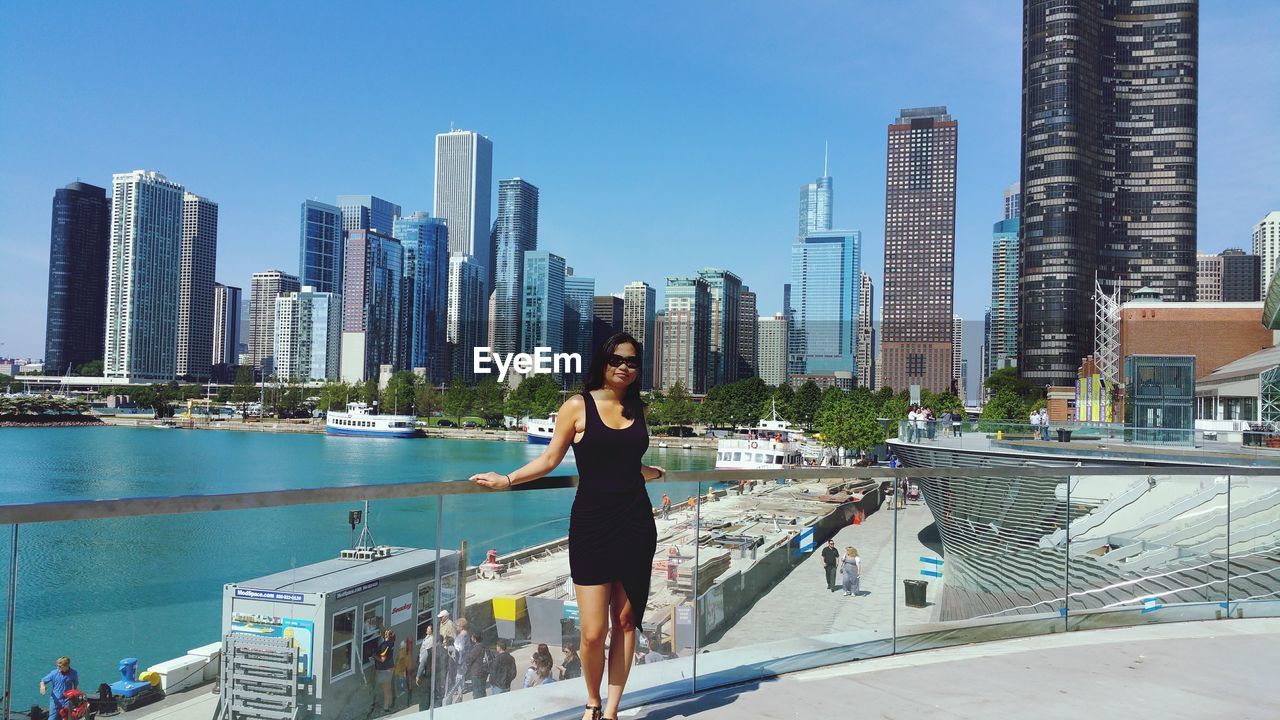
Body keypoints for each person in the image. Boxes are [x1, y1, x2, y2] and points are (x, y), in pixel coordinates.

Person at [472, 332, 665, 720]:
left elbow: (625, 462)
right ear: (603, 362)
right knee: (593, 632)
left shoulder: (637, 409)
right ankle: (592, 699)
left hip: (635, 524)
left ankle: (610, 710)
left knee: (626, 621)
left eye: (632, 361)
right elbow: (549, 460)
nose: (624, 367)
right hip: (592, 525)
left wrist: (651, 472)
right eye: (617, 360)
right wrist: (507, 480)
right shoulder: (577, 406)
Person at [463, 630, 491, 699]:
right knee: (482, 691)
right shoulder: (484, 646)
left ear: (475, 639)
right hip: (484, 671)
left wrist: (465, 655)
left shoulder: (477, 648)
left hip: (477, 673)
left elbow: (468, 659)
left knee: (477, 693)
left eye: (472, 637)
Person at [373, 628, 395, 712]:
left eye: (385, 633)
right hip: (390, 668)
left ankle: (386, 707)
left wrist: (374, 656)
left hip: (385, 670)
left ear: (387, 636)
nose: (384, 633)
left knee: (386, 688)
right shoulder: (391, 643)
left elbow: (382, 659)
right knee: (388, 687)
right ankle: (390, 702)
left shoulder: (385, 646)